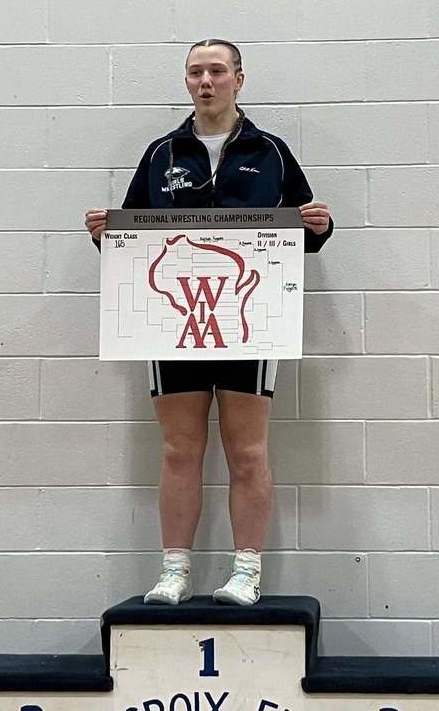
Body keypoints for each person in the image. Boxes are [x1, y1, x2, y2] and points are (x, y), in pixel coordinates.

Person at [84, 39, 333, 605]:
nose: (206, 81)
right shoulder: (160, 154)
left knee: (248, 451)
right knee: (179, 449)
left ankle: (246, 571)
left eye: (217, 71)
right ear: (186, 81)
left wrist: (319, 225)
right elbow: (133, 245)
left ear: (239, 79)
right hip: (175, 326)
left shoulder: (270, 152)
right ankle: (175, 569)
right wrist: (107, 234)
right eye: (196, 72)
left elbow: (302, 238)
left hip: (249, 323)